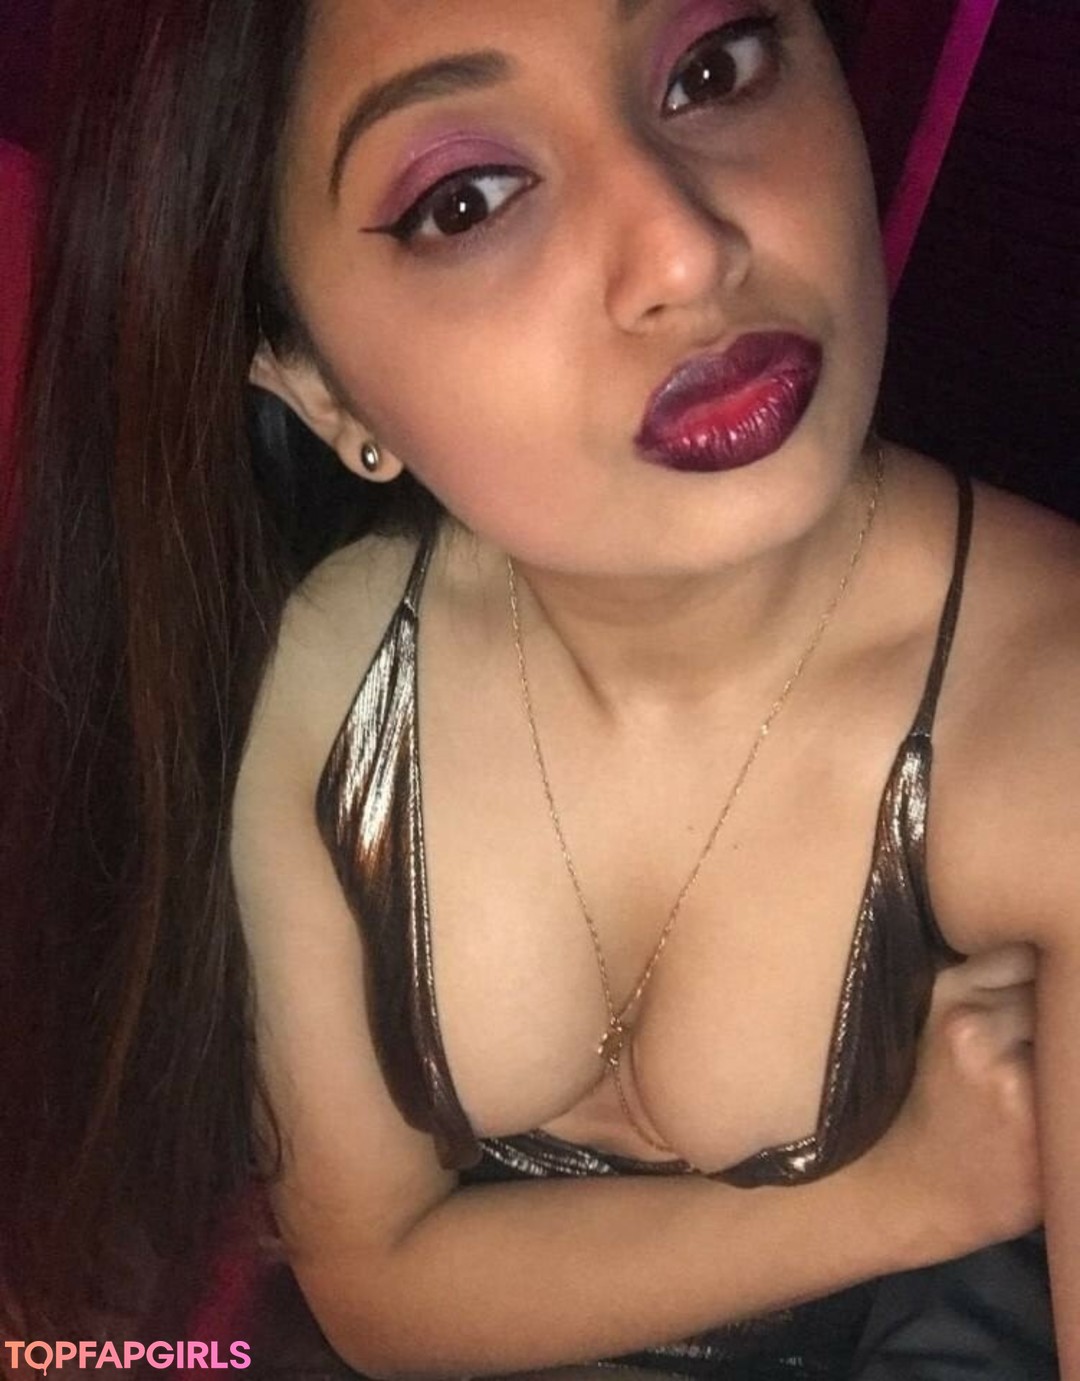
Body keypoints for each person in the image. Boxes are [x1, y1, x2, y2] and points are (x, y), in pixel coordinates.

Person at [0, 0, 1072, 1375]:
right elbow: (376, 1292)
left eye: (712, 69)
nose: (684, 248)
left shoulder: (1044, 721)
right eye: (467, 200)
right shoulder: (327, 681)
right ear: (321, 388)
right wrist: (905, 1192)